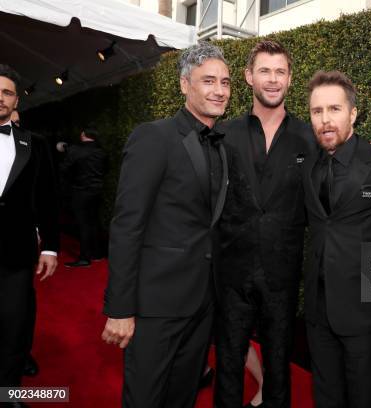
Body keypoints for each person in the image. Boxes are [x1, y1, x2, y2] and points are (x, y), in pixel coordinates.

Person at [100, 42, 231, 408]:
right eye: (208, 80)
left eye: (225, 81)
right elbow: (127, 225)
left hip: (202, 301)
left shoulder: (221, 145)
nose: (219, 90)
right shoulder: (153, 137)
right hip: (155, 305)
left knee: (182, 396)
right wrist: (121, 307)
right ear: (184, 84)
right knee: (145, 398)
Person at [214, 39, 316, 408]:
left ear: (289, 79)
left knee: (278, 370)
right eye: (264, 71)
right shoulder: (222, 135)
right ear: (248, 77)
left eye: (280, 72)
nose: (272, 80)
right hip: (230, 275)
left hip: (283, 277)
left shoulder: (310, 137)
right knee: (227, 365)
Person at [302, 70, 371, 408]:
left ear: (353, 113)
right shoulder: (308, 166)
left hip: (365, 312)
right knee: (326, 397)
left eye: (334, 109)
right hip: (318, 312)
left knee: (366, 398)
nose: (325, 120)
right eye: (317, 112)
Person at [0, 65, 59, 400]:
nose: (0, 97)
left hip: (16, 252)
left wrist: (50, 246)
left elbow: (48, 197)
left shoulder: (34, 143)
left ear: (16, 100)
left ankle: (7, 394)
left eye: (7, 92)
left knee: (14, 327)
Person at [8, 109, 41, 379]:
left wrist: (42, 234)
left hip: (17, 245)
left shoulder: (30, 146)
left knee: (19, 314)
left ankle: (10, 385)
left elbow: (40, 195)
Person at [60, 127, 108, 267]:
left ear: (83, 135)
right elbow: (106, 170)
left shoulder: (76, 150)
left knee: (83, 224)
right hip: (97, 191)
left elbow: (64, 169)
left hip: (81, 192)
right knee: (94, 222)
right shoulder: (102, 152)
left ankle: (84, 258)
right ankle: (97, 253)